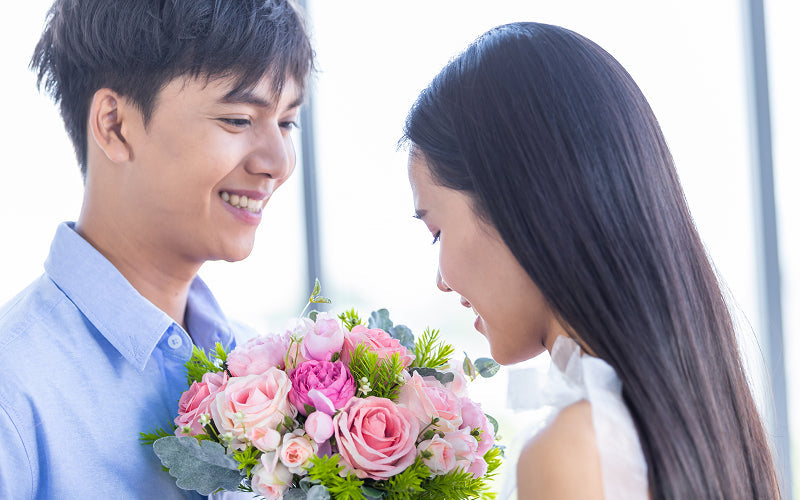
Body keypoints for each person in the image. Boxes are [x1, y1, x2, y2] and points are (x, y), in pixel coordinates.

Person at [404, 22, 780, 499]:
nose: (441, 281)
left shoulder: (570, 451)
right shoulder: (702, 426)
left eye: (436, 231)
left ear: (517, 201)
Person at [0, 0, 313, 497]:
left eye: (287, 123)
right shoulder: (14, 393)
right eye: (237, 119)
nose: (278, 161)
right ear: (114, 125)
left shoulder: (269, 371)